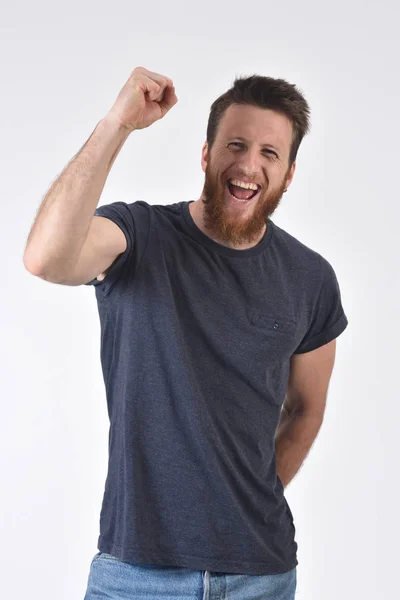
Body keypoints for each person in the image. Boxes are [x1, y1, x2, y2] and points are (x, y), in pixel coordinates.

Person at [23, 66, 348, 600]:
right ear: (206, 155)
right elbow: (45, 258)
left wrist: (252, 497)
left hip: (259, 576)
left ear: (289, 174)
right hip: (135, 574)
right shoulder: (139, 236)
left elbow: (307, 407)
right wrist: (116, 124)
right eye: (236, 145)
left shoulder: (310, 278)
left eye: (270, 154)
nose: (249, 165)